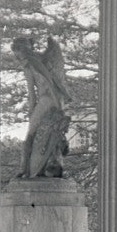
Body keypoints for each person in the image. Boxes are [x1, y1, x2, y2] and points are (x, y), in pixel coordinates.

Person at [10, 34, 73, 179]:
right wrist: (59, 106)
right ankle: (48, 166)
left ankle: (25, 169)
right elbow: (56, 83)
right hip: (57, 101)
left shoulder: (29, 65)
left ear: (20, 52)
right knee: (51, 133)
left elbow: (32, 94)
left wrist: (31, 111)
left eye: (17, 54)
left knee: (31, 134)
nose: (18, 58)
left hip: (46, 100)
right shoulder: (44, 60)